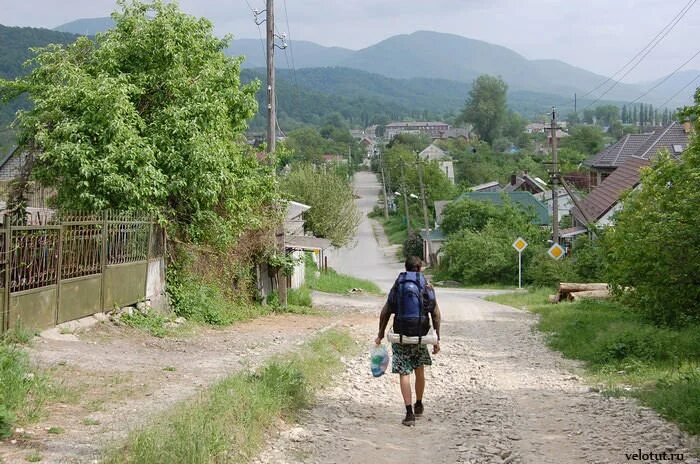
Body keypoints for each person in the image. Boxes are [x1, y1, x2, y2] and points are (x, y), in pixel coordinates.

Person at [375, 255, 441, 426]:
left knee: (404, 373)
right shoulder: (426, 286)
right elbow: (435, 313)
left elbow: (386, 312)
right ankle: (419, 403)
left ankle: (409, 413)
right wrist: (436, 339)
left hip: (401, 335)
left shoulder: (398, 285)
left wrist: (380, 334)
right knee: (419, 370)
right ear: (419, 268)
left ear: (406, 268)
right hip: (420, 335)